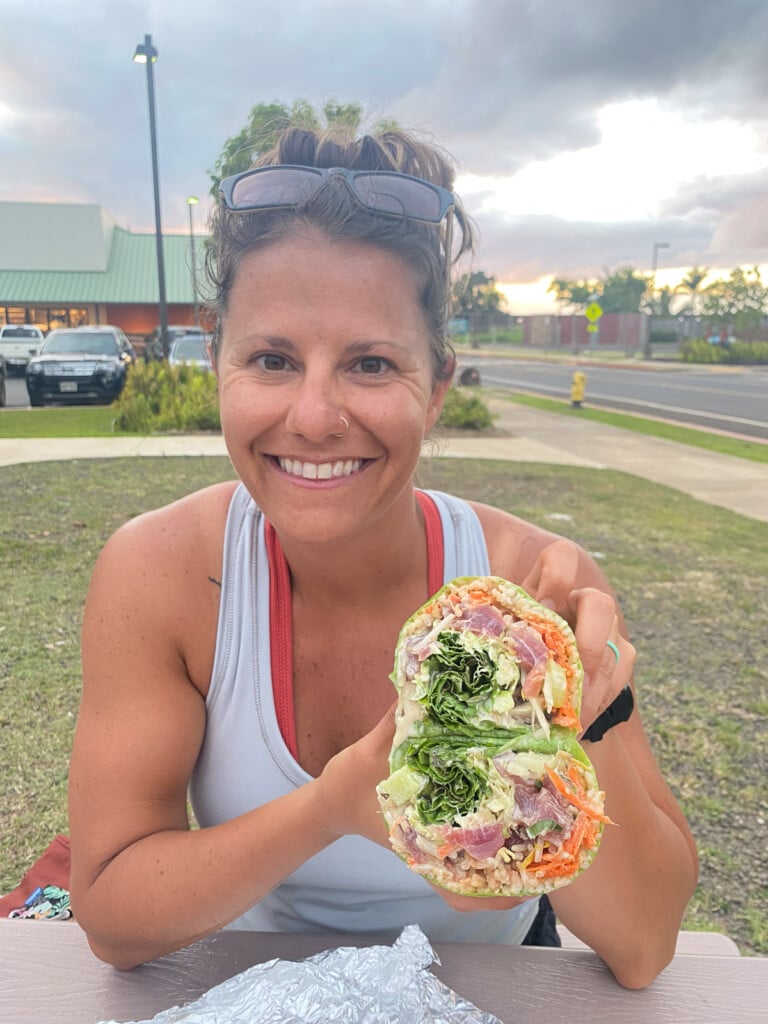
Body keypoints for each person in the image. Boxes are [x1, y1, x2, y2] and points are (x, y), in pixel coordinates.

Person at [68, 125, 698, 987]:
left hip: (489, 979)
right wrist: (334, 805)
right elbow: (111, 917)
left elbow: (645, 947)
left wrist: (582, 718)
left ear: (437, 386)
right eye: (272, 359)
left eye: (369, 363)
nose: (317, 417)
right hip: (253, 982)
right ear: (217, 361)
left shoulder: (535, 584)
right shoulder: (160, 575)